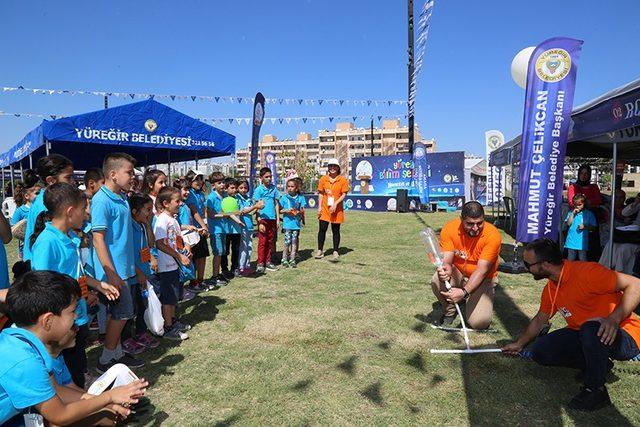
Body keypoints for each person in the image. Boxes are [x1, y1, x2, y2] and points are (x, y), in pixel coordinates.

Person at [502, 238, 640, 411]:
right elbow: (540, 319)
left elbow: (636, 284)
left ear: (545, 264)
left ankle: (595, 390)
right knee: (541, 351)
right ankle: (599, 364)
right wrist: (519, 344)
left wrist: (614, 319)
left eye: (528, 264)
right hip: (587, 334)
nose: (526, 268)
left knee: (590, 328)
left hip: (625, 333)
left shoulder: (587, 272)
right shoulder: (551, 287)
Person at [0, 271, 147, 426]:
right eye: (72, 311)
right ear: (48, 321)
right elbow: (59, 415)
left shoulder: (19, 341)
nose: (76, 316)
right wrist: (109, 397)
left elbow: (57, 389)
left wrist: (105, 405)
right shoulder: (25, 361)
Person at [30, 182, 120, 389]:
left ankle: (80, 381)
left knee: (77, 355)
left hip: (75, 315)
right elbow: (43, 286)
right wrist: (76, 295)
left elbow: (75, 273)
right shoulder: (47, 242)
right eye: (83, 209)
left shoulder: (69, 237)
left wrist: (98, 285)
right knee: (66, 368)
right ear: (70, 212)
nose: (87, 213)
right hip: (60, 320)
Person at [92, 153, 145, 373]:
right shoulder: (101, 200)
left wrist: (134, 269)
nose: (132, 176)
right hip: (113, 273)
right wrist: (110, 272)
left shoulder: (122, 197)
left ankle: (116, 354)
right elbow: (98, 238)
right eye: (129, 172)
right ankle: (106, 360)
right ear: (113, 175)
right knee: (123, 313)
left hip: (125, 270)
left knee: (121, 314)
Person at [430, 201, 502, 329]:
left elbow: (482, 271)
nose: (475, 228)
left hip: (483, 279)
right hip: (459, 273)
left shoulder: (493, 235)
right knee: (437, 279)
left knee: (479, 323)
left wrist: (464, 292)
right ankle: (450, 311)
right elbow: (447, 259)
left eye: (479, 223)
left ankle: (469, 297)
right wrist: (446, 268)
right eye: (470, 224)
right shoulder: (450, 228)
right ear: (461, 219)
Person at [153, 187, 192, 341]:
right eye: (177, 201)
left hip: (175, 264)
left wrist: (185, 249)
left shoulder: (173, 220)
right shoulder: (162, 220)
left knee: (174, 296)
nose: (180, 204)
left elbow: (177, 240)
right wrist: (178, 256)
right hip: (166, 265)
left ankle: (173, 321)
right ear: (166, 203)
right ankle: (168, 327)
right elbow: (160, 244)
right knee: (168, 298)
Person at [124, 193, 160, 354]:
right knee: (130, 308)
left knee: (142, 305)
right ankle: (126, 339)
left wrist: (147, 225)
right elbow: (128, 254)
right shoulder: (128, 228)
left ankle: (141, 332)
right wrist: (138, 272)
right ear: (134, 211)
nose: (150, 212)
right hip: (133, 275)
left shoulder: (141, 225)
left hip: (143, 273)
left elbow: (149, 244)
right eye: (147, 209)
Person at [23, 153, 75, 263]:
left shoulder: (45, 199)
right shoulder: (45, 204)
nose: (73, 182)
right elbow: (46, 245)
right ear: (51, 180)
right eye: (68, 177)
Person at [315, 158, 349, 262]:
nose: (332, 168)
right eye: (330, 166)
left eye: (334, 166)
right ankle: (320, 250)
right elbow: (321, 193)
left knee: (335, 231)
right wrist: (319, 207)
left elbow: (344, 194)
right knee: (322, 229)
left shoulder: (343, 180)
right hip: (325, 208)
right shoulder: (323, 179)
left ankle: (335, 251)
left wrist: (336, 203)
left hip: (336, 209)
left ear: (338, 168)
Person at [185, 170, 210, 289]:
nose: (200, 182)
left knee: (203, 256)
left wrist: (206, 224)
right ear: (190, 181)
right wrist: (203, 226)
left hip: (202, 228)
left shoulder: (200, 194)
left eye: (201, 179)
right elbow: (194, 211)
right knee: (194, 257)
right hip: (193, 230)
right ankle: (193, 282)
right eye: (197, 179)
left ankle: (201, 280)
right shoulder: (189, 193)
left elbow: (203, 210)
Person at [207, 172, 231, 287]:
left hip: (223, 229)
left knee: (222, 253)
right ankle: (214, 276)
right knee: (217, 253)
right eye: (219, 183)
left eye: (223, 182)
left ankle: (218, 274)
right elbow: (211, 214)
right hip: (215, 230)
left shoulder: (225, 196)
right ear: (213, 185)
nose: (222, 185)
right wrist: (224, 214)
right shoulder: (211, 197)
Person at [254, 167, 280, 273]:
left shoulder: (274, 188)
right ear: (261, 178)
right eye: (266, 177)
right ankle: (260, 263)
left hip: (272, 219)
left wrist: (278, 219)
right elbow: (256, 206)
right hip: (263, 219)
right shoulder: (258, 190)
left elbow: (276, 204)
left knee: (270, 241)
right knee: (262, 242)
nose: (269, 179)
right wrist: (259, 221)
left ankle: (268, 262)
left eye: (270, 176)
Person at [10, 170, 40, 260]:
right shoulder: (20, 211)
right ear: (26, 196)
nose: (39, 196)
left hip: (39, 245)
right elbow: (13, 227)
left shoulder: (40, 209)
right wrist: (24, 231)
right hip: (25, 248)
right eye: (37, 193)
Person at [236, 180, 263, 276]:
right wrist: (255, 206)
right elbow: (242, 211)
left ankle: (247, 266)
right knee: (243, 248)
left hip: (250, 227)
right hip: (242, 227)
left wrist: (258, 207)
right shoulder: (237, 198)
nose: (243, 190)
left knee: (249, 247)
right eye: (241, 188)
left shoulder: (248, 198)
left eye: (245, 188)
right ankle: (241, 268)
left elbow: (251, 211)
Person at [279, 178, 306, 268]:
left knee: (294, 242)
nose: (290, 188)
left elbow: (302, 210)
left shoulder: (301, 198)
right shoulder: (283, 198)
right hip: (287, 225)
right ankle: (284, 259)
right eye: (288, 186)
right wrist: (287, 211)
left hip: (296, 225)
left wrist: (299, 212)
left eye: (292, 186)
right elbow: (279, 210)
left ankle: (292, 259)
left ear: (296, 188)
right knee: (287, 242)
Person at [564, 193, 597, 261]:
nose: (577, 207)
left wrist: (585, 227)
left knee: (583, 258)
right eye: (575, 205)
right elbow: (568, 224)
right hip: (571, 240)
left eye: (579, 205)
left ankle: (583, 271)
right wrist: (573, 214)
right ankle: (570, 270)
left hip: (582, 241)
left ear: (584, 204)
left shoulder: (589, 214)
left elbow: (594, 227)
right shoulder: (570, 213)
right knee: (571, 258)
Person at [222, 179, 245, 277]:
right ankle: (224, 269)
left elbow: (241, 211)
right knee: (225, 251)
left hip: (237, 230)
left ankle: (234, 268)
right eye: (232, 188)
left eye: (235, 188)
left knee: (235, 250)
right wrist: (239, 221)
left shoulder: (239, 199)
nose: (234, 190)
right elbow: (228, 213)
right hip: (226, 230)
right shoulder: (224, 199)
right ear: (226, 189)